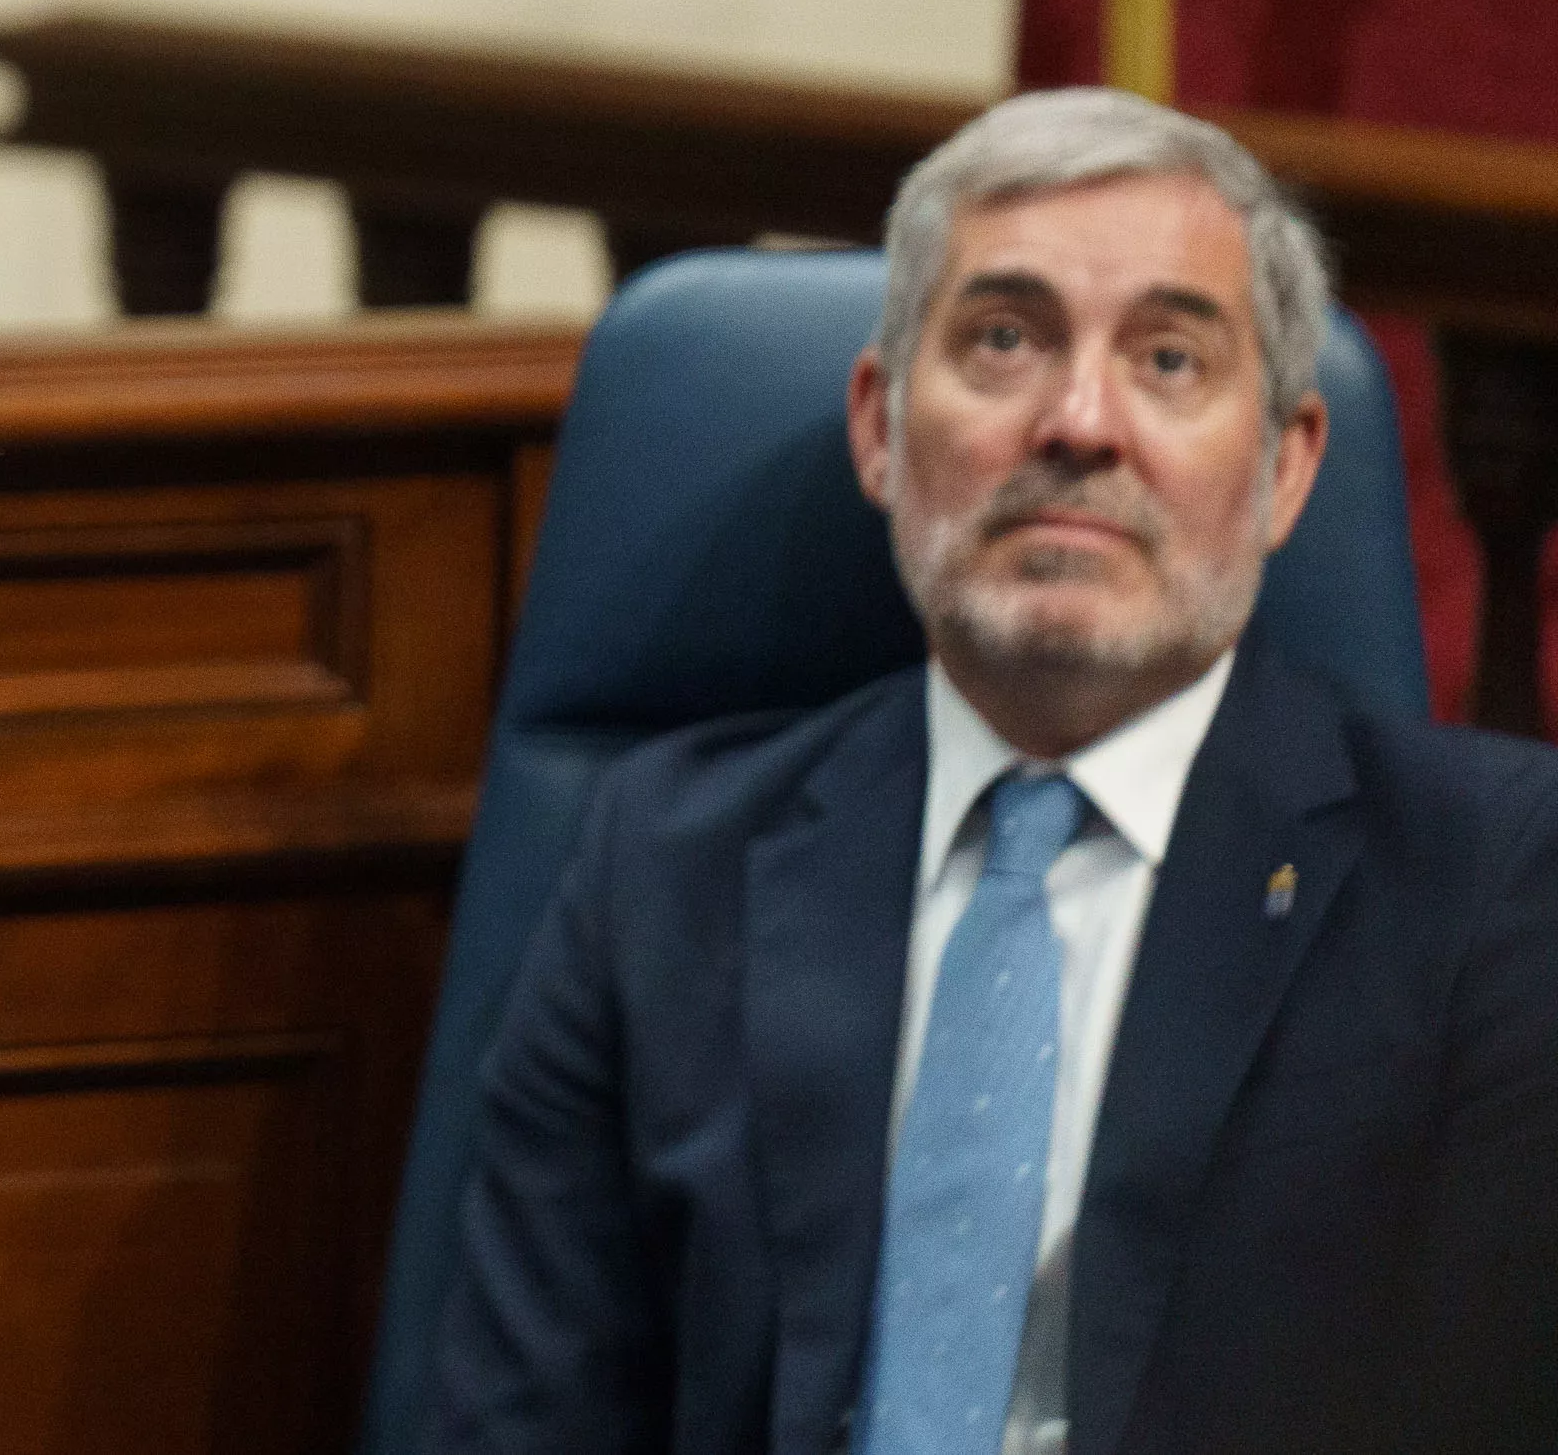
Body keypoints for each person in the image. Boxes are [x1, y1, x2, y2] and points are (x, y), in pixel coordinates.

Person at [430, 88, 1558, 1455]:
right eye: (1005, 337)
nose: (1080, 419)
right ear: (880, 427)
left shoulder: (1493, 883)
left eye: (1170, 357)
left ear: (1284, 469)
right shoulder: (662, 862)